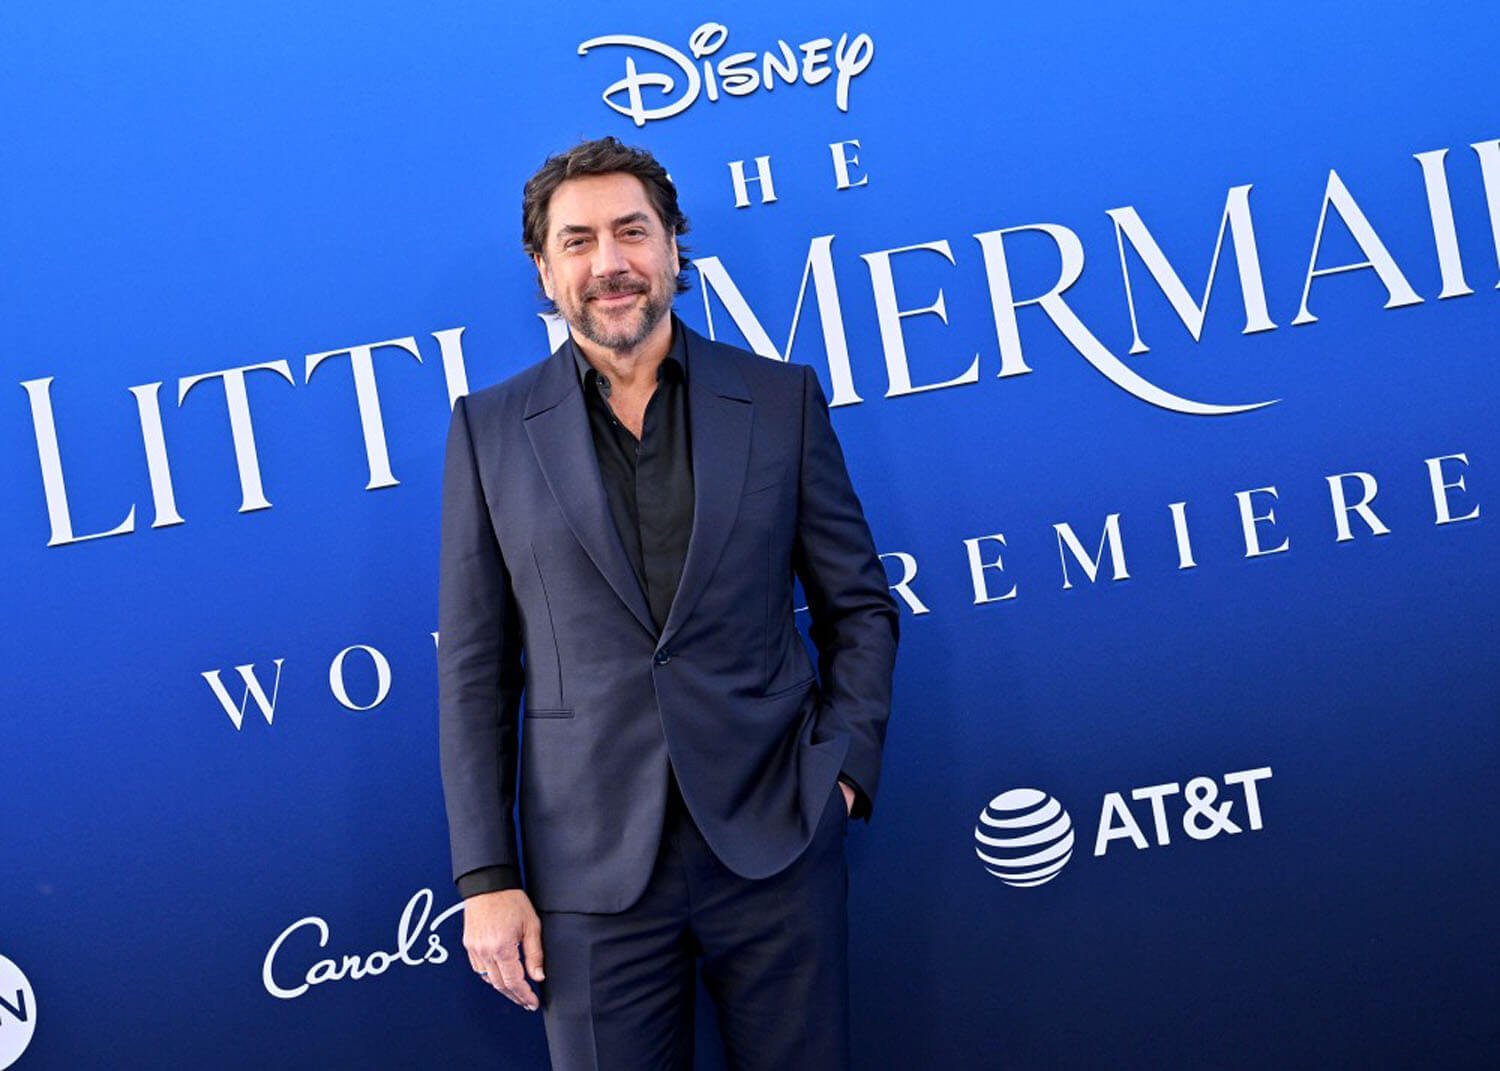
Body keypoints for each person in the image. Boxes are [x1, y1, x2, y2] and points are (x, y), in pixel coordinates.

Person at [437, 135, 898, 1070]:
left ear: (673, 247)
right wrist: (486, 876)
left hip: (774, 843)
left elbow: (860, 607)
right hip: (588, 875)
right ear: (544, 269)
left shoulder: (778, 400)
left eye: (631, 231)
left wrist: (838, 777)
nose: (609, 262)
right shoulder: (488, 432)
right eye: (577, 241)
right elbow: (476, 671)